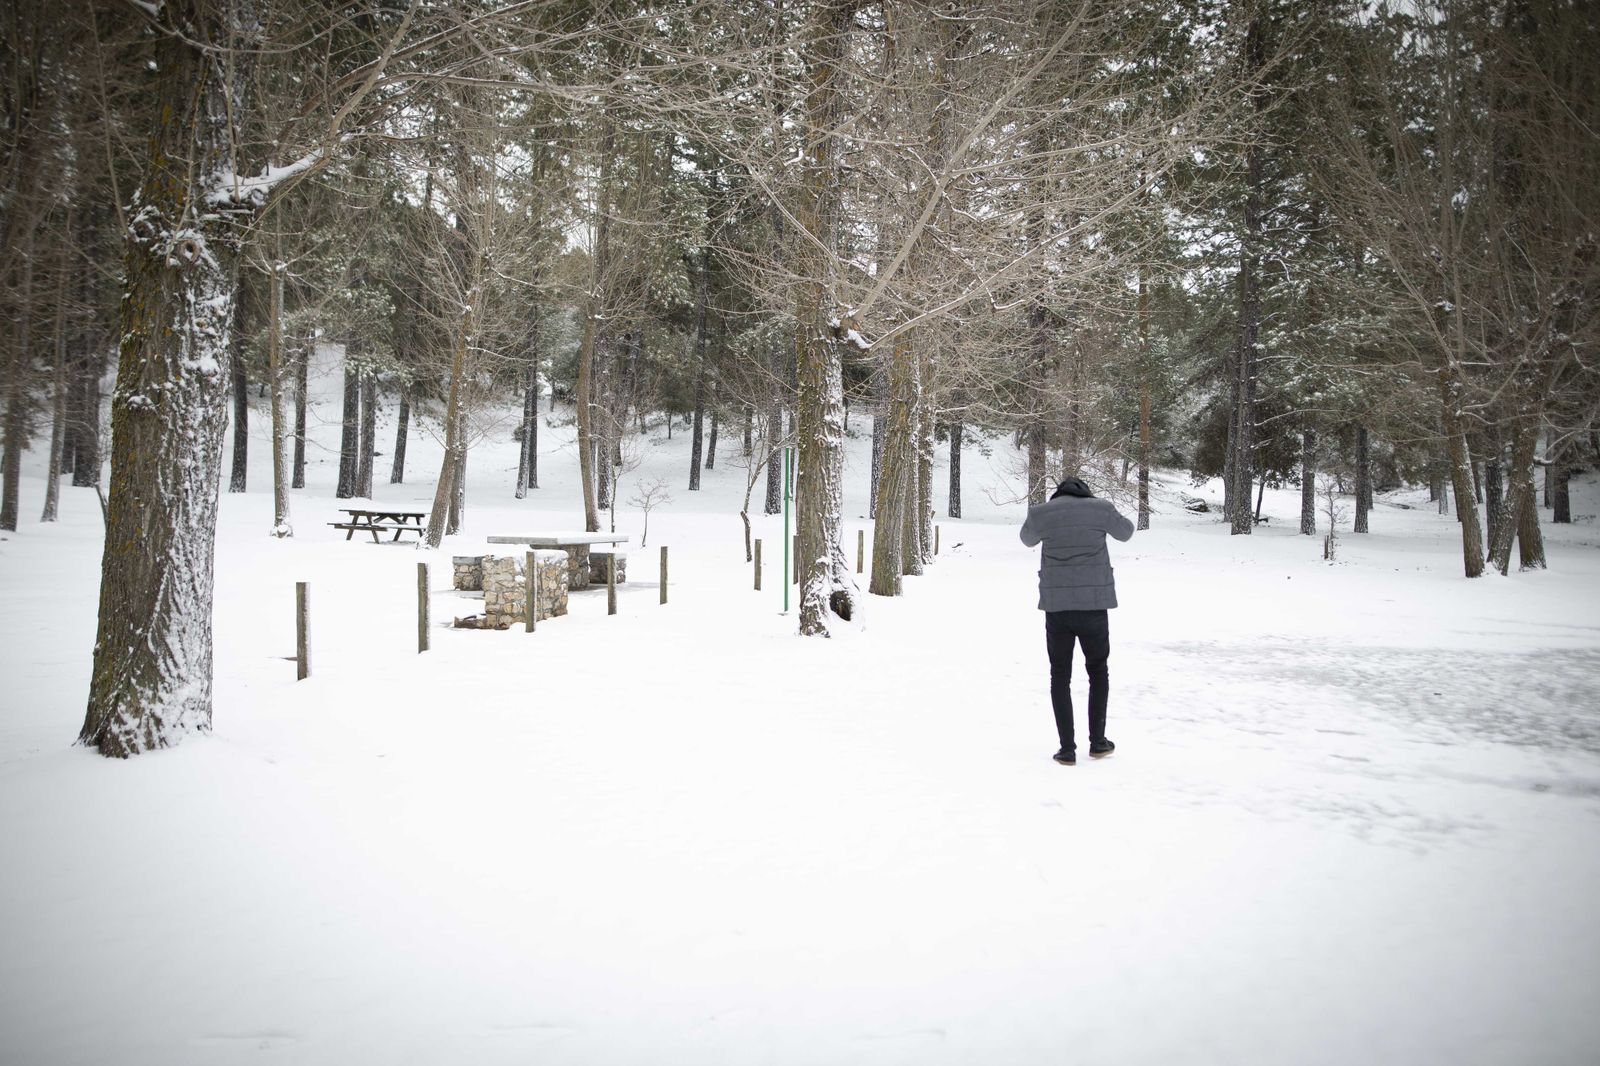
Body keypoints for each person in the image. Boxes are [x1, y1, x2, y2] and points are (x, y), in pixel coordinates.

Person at [1019, 476, 1134, 765]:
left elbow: (1026, 539)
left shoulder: (1041, 513)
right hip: (1095, 607)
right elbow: (1126, 532)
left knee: (1060, 675)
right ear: (1086, 493)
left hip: (1057, 609)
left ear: (1059, 494)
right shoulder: (1101, 508)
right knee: (1098, 671)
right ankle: (1098, 742)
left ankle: (1067, 748)